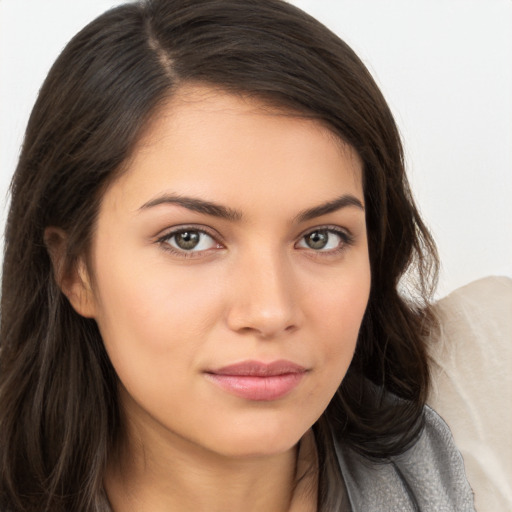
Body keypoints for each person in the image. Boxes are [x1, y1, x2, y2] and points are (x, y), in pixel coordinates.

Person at [0, 0, 475, 510]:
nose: (271, 311)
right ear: (75, 270)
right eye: (189, 238)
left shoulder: (476, 448)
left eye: (321, 238)